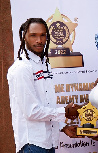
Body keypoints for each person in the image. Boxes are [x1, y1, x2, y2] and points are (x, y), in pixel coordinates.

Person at [7, 18, 79, 153]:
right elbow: (31, 111)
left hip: (48, 141)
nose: (39, 40)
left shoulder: (44, 63)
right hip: (32, 144)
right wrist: (65, 112)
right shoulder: (22, 68)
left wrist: (62, 126)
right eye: (33, 35)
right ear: (24, 37)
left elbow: (46, 103)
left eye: (42, 35)